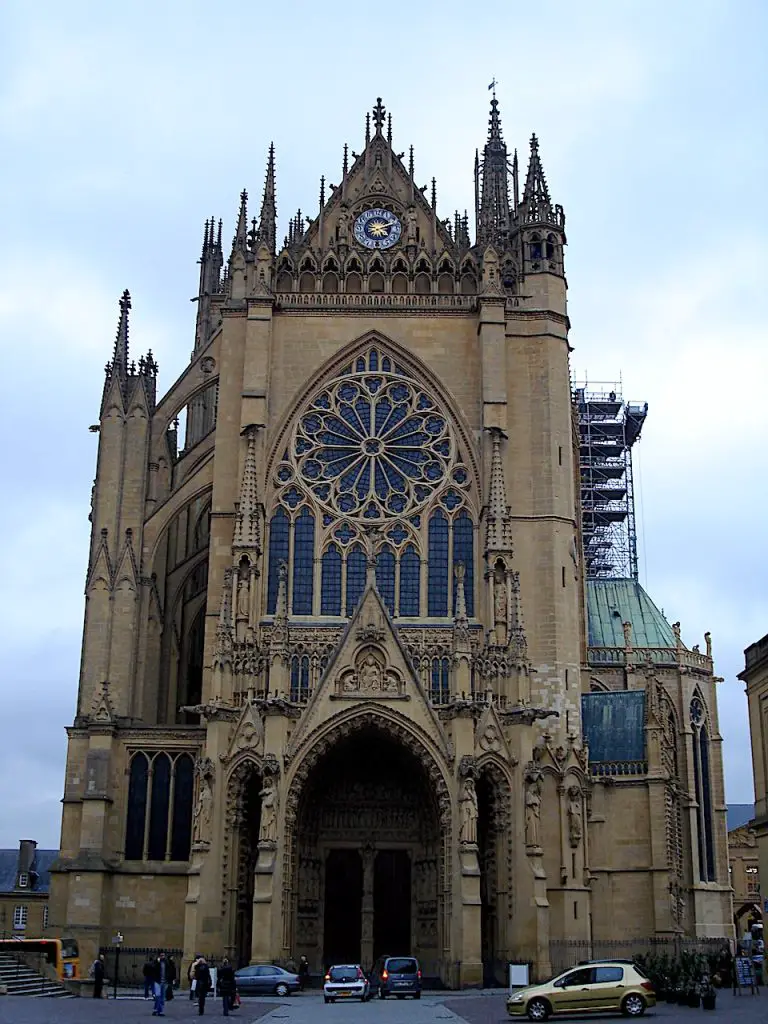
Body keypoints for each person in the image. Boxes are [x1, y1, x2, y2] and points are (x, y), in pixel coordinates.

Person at [151, 952, 169, 1017]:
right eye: (161, 955)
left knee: (162, 997)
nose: (162, 957)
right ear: (159, 956)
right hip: (157, 982)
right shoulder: (156, 963)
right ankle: (157, 1010)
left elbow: (168, 971)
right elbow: (153, 969)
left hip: (164, 982)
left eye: (163, 955)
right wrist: (157, 962)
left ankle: (159, 1010)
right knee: (158, 996)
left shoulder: (166, 963)